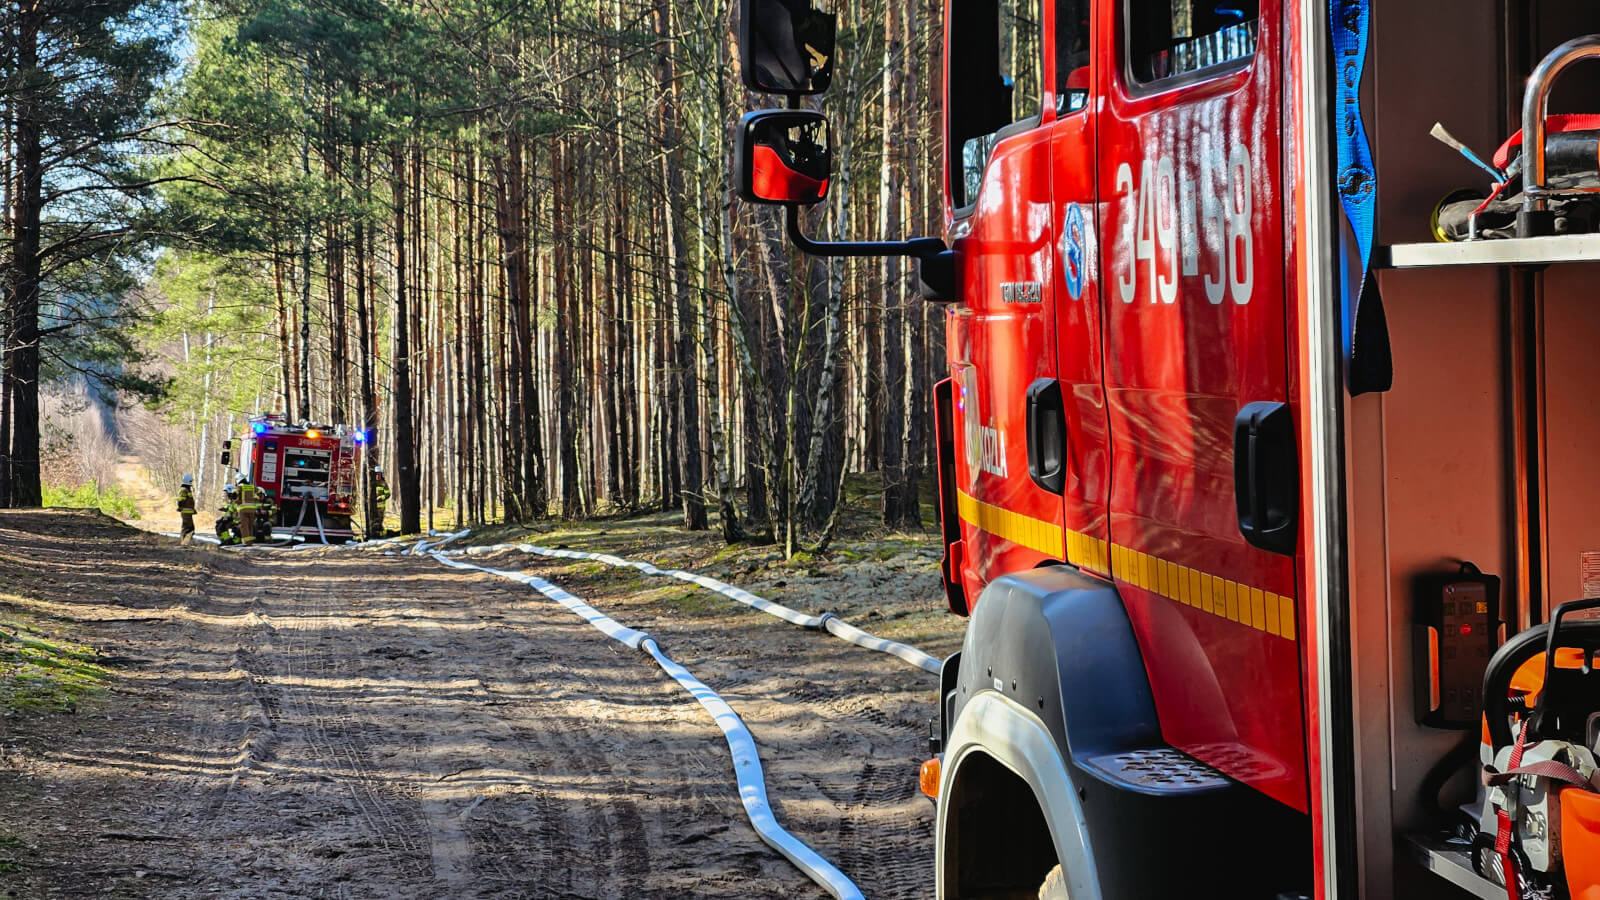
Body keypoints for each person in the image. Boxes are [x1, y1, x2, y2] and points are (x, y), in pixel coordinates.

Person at [237, 475, 259, 545]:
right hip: (252, 510)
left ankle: (246, 542)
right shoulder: (252, 487)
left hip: (243, 510)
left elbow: (236, 497)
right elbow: (259, 492)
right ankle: (250, 542)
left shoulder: (240, 487)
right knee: (250, 525)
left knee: (244, 526)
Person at [177, 475, 197, 546]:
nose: (191, 483)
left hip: (188, 513)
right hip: (185, 512)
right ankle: (184, 542)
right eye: (191, 481)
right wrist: (180, 507)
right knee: (187, 528)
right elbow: (181, 500)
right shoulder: (184, 490)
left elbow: (189, 501)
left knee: (190, 527)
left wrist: (193, 509)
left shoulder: (187, 490)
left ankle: (187, 542)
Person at [372, 466, 390, 537]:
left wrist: (381, 497)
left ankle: (381, 535)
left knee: (379, 522)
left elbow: (388, 494)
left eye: (379, 474)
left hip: (381, 507)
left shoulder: (383, 483)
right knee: (373, 522)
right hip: (373, 507)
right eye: (376, 474)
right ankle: (374, 534)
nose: (378, 476)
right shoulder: (372, 483)